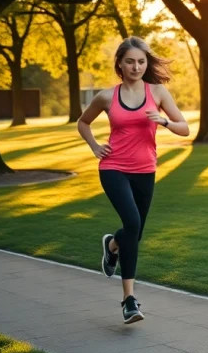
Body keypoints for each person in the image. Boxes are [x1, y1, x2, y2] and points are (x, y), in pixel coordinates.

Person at [78, 37, 189, 324]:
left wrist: (164, 121)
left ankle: (113, 246)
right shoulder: (107, 96)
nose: (136, 67)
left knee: (134, 233)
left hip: (145, 170)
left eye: (141, 61)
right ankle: (129, 300)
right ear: (120, 64)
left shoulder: (158, 92)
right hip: (113, 167)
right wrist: (94, 146)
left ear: (146, 64)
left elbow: (184, 128)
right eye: (130, 61)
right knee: (133, 223)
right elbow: (83, 122)